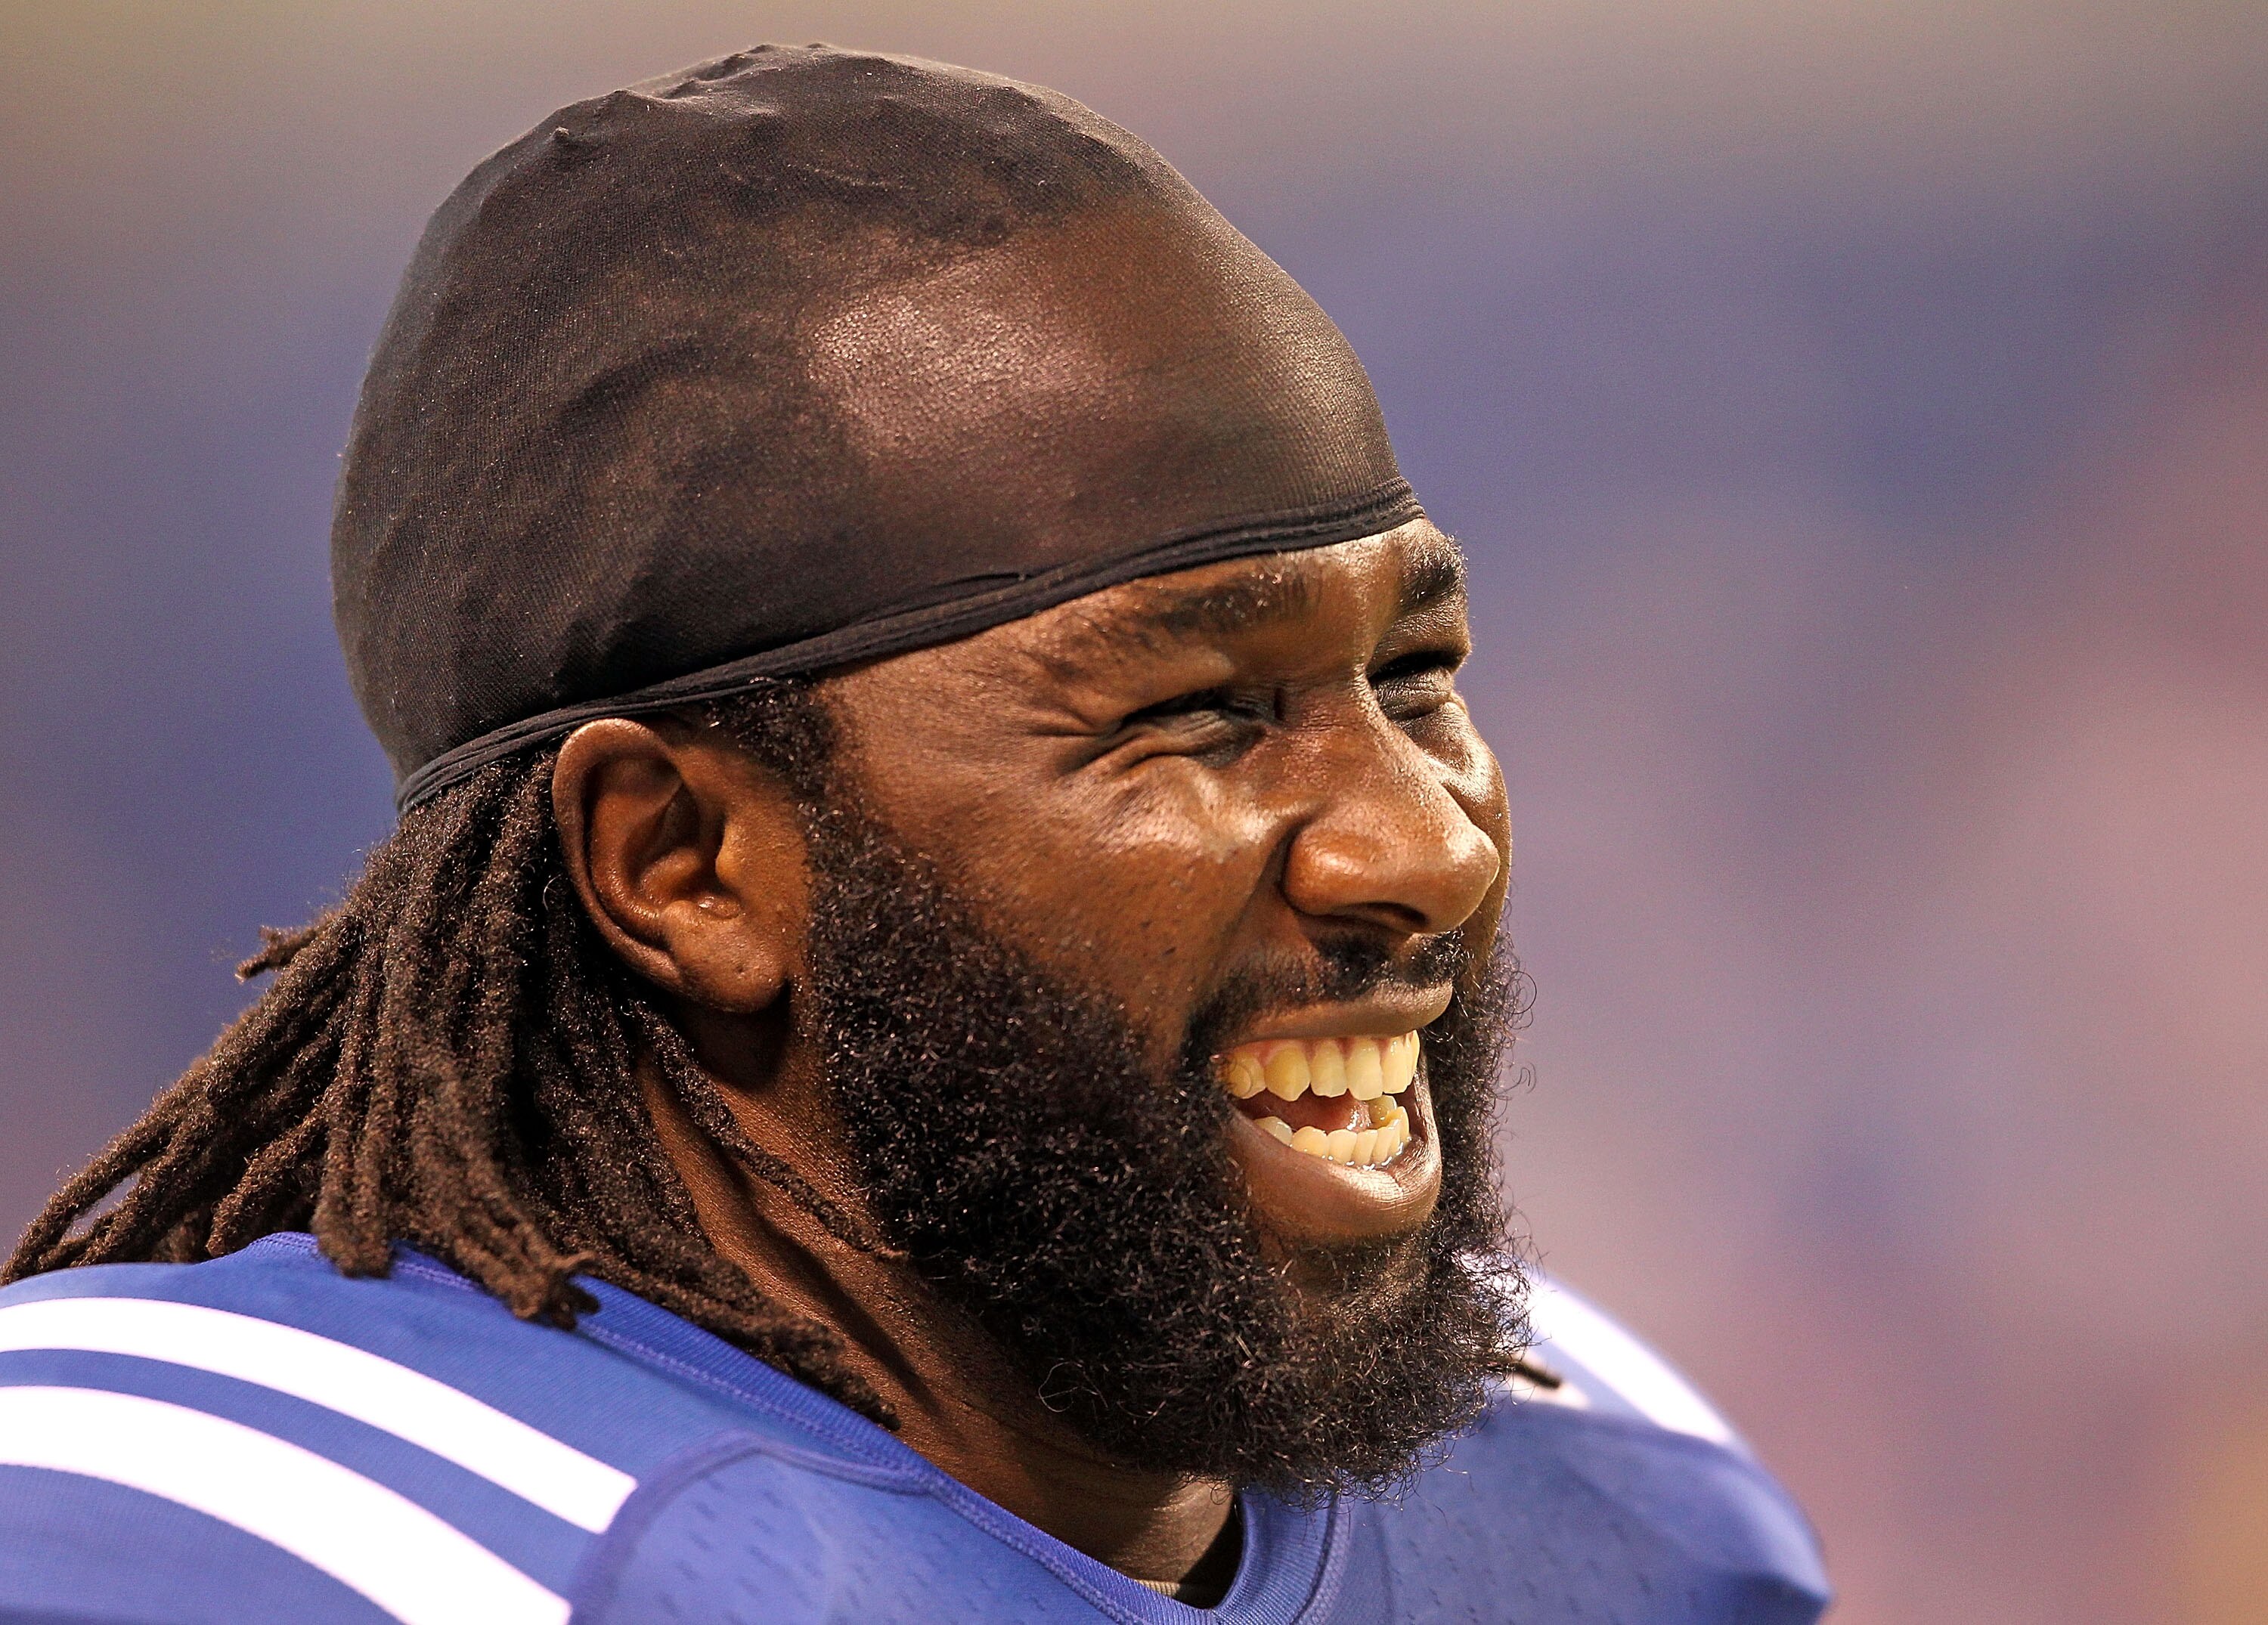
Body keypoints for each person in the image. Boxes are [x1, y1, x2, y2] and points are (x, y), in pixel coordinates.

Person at [0, 46, 1829, 1623]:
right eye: (1199, 714)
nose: (1423, 849)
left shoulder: (1611, 1508)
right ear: (684, 867)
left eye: (1416, 677)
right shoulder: (230, 1536)